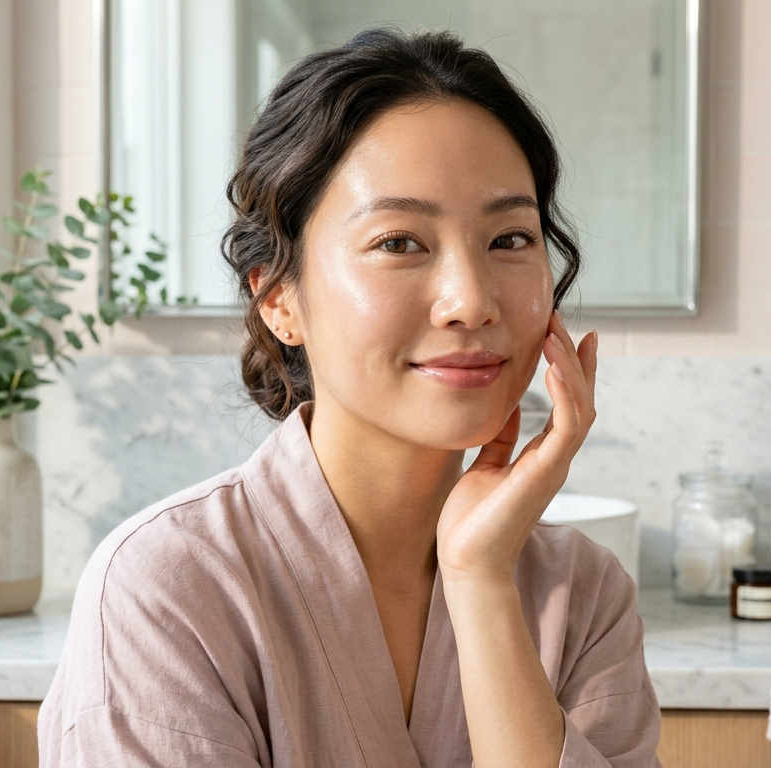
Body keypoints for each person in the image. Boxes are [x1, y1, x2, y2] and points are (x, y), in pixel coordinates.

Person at [38, 27, 661, 768]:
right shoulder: (167, 590)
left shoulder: (583, 596)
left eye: (510, 240)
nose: (471, 302)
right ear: (277, 296)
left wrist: (481, 581)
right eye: (400, 242)